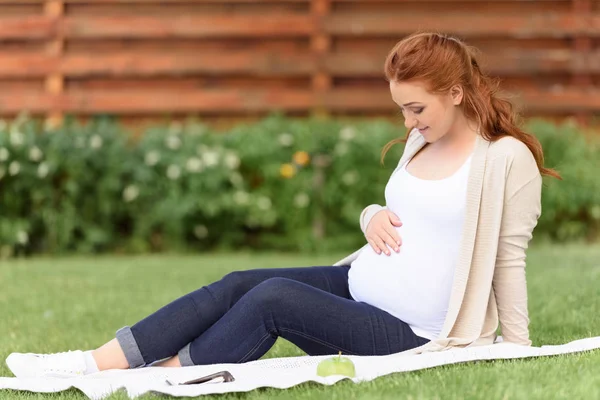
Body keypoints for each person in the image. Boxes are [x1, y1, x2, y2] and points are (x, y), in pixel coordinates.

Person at [6, 32, 560, 378]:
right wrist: (370, 217)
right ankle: (97, 360)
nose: (407, 124)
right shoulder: (423, 140)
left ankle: (167, 372)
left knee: (273, 298)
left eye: (416, 109)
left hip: (409, 331)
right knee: (238, 282)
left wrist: (517, 346)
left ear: (456, 94)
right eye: (401, 111)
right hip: (359, 286)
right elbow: (405, 210)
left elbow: (508, 258)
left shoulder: (504, 159)